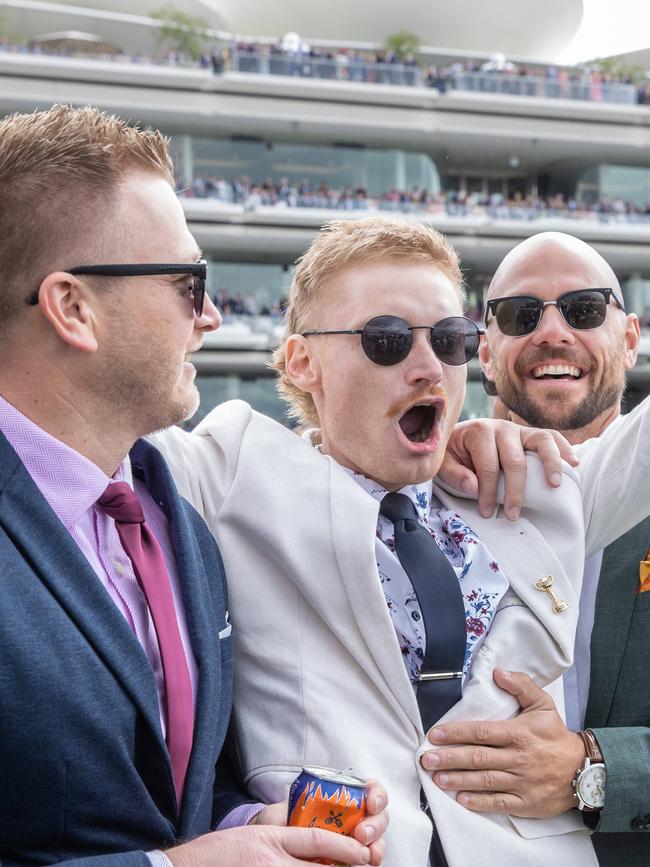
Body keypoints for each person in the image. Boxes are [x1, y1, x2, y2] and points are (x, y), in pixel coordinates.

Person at [152, 217, 650, 867]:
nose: (427, 368)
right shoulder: (235, 470)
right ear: (304, 362)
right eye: (386, 340)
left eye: (448, 340)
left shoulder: (530, 482)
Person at [0, 104, 389, 867]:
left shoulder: (174, 520)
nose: (211, 314)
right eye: (187, 282)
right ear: (73, 307)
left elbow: (176, 794)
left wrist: (257, 823)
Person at [422, 231, 649, 867]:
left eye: (583, 310)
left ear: (629, 339)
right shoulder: (425, 497)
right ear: (485, 353)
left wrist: (589, 769)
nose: (552, 333)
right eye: (523, 315)